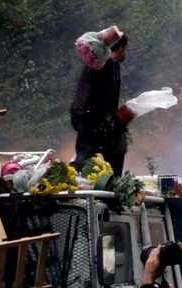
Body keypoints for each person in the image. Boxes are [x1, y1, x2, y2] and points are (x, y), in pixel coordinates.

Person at [70, 27, 131, 176]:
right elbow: (94, 96)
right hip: (88, 117)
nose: (126, 52)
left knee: (115, 151)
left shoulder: (114, 66)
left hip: (99, 118)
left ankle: (111, 183)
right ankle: (75, 183)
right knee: (86, 157)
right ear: (121, 47)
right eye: (126, 48)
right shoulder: (102, 65)